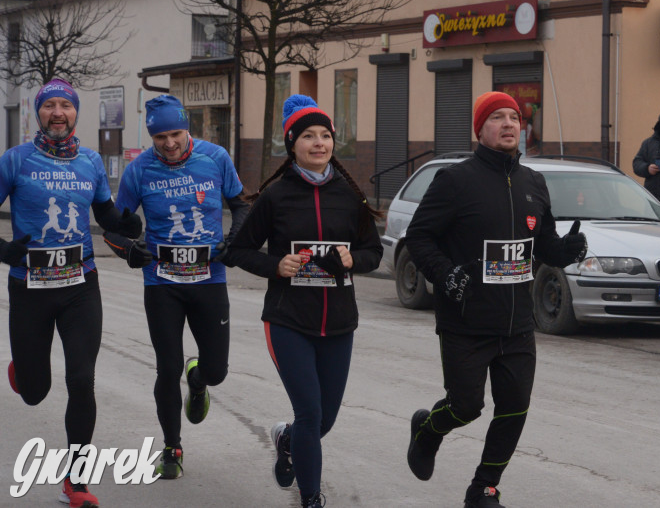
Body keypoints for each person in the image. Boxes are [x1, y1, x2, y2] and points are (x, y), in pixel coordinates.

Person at [404, 91, 588, 508]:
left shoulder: (533, 182)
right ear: (480, 129)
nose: (508, 124)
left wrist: (564, 251)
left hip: (517, 323)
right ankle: (428, 431)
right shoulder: (454, 180)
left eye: (514, 118)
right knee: (465, 406)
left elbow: (543, 243)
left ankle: (484, 488)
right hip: (466, 320)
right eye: (497, 118)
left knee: (514, 409)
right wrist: (446, 275)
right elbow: (420, 236)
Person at [228, 95, 382, 508]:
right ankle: (311, 499)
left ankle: (287, 440)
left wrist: (352, 260)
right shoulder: (276, 196)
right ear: (292, 144)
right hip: (288, 320)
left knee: (323, 420)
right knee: (310, 414)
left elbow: (373, 252)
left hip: (339, 324)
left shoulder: (349, 195)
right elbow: (238, 250)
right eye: (308, 136)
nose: (319, 143)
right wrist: (276, 265)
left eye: (325, 136)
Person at [1, 78, 143, 508]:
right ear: (38, 113)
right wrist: (4, 251)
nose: (58, 113)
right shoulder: (15, 160)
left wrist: (124, 225)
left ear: (76, 112)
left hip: (81, 285)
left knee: (82, 380)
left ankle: (76, 481)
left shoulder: (91, 161)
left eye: (66, 105)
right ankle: (24, 372)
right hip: (30, 288)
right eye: (50, 106)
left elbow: (104, 213)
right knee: (35, 392)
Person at [103, 94, 249, 480]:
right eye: (160, 137)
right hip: (162, 284)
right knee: (167, 369)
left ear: (188, 129)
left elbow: (242, 206)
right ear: (151, 137)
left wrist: (233, 241)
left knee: (217, 371)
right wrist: (129, 251)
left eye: (176, 134)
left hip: (209, 280)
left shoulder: (216, 158)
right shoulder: (138, 170)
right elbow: (113, 229)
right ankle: (172, 447)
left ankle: (198, 381)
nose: (169, 143)